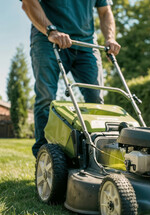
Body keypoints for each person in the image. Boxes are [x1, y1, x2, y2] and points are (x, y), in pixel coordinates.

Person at [21, 0, 121, 158]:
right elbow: (28, 3)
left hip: (86, 44)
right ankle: (44, 157)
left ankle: (95, 153)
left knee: (96, 99)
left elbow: (105, 12)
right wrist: (50, 30)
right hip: (48, 39)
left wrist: (110, 38)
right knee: (46, 97)